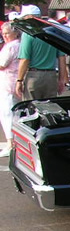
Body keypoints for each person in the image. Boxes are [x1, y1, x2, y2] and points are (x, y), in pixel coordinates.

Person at [15, 4, 68, 101]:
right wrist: (61, 80)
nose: (23, 20)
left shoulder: (28, 34)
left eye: (24, 18)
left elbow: (25, 59)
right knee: (50, 110)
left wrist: (19, 80)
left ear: (31, 17)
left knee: (32, 110)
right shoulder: (52, 32)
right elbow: (62, 58)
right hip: (51, 76)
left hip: (34, 77)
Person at [0, 22, 21, 157]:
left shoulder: (11, 46)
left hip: (8, 82)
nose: (4, 35)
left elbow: (2, 64)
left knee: (7, 113)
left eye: (7, 33)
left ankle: (10, 143)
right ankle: (12, 142)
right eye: (3, 32)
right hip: (13, 82)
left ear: (15, 33)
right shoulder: (19, 44)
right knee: (13, 113)